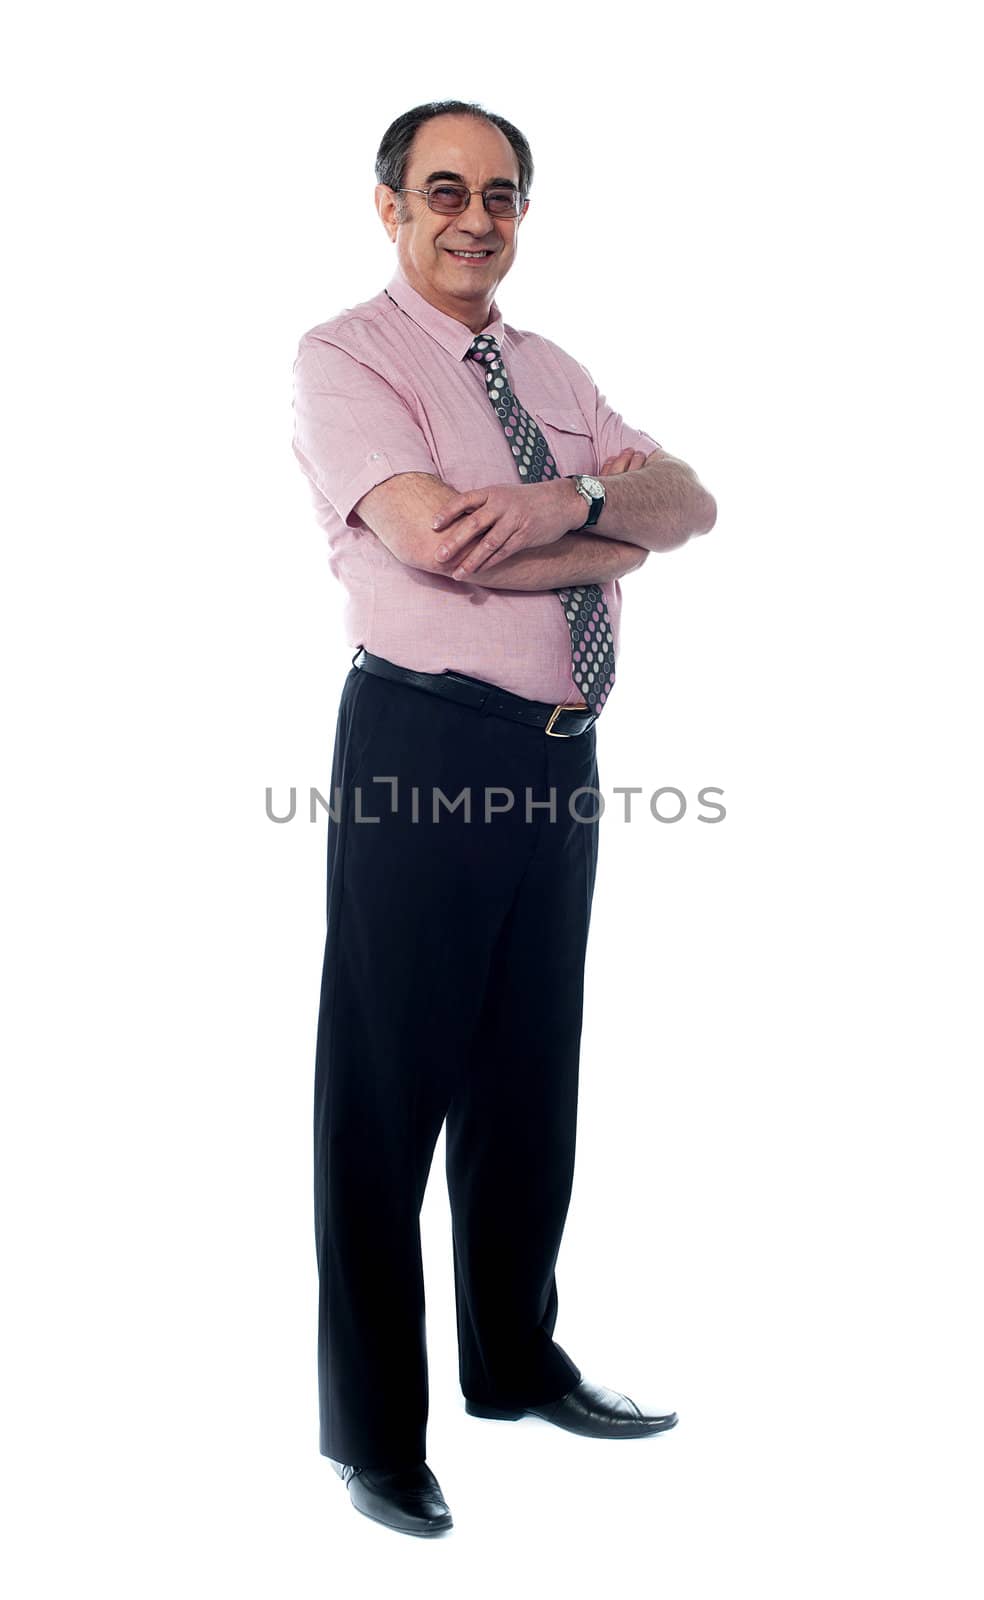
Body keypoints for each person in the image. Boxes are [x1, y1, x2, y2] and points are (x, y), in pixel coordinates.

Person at [290, 99, 717, 1538]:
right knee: (387, 1085)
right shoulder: (347, 357)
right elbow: (429, 536)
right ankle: (374, 1436)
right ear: (391, 206)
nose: (478, 217)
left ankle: (518, 1362)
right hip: (424, 740)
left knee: (531, 1067)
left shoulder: (548, 367)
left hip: (560, 750)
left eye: (504, 194)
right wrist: (599, 527)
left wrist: (573, 496)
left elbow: (690, 503)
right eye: (447, 190)